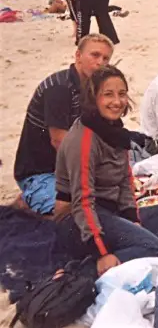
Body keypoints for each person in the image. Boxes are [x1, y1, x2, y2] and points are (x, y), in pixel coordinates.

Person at [56, 66, 158, 276]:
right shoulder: (84, 139)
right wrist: (101, 252)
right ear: (93, 98)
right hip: (81, 221)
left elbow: (126, 179)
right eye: (108, 95)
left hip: (111, 210)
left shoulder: (114, 130)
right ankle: (85, 269)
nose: (117, 102)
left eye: (122, 94)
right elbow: (82, 201)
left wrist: (132, 219)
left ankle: (127, 249)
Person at [13, 34, 114, 216]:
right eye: (95, 55)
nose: (100, 62)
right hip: (41, 172)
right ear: (78, 56)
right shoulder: (59, 88)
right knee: (77, 216)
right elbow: (59, 141)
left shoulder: (92, 88)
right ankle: (29, 200)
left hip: (68, 168)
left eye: (105, 58)